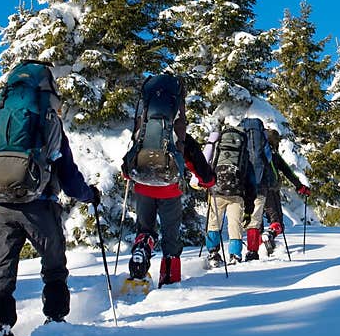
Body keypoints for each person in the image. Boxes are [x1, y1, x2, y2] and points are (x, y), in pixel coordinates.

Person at [0, 61, 100, 336]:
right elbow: (69, 177)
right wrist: (89, 195)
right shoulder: (50, 122)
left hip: (1, 206)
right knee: (54, 268)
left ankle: (0, 328)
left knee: (1, 272)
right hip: (40, 207)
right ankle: (55, 321)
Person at [122, 74, 216, 287]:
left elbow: (130, 159)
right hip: (170, 189)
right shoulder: (179, 133)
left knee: (145, 229)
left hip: (143, 186)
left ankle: (142, 250)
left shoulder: (143, 130)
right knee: (171, 238)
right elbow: (196, 164)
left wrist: (129, 174)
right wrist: (207, 181)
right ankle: (170, 282)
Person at [205, 125, 256, 267]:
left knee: (214, 223)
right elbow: (251, 182)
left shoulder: (217, 150)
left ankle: (213, 253)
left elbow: (207, 167)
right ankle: (235, 255)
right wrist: (249, 208)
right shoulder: (244, 156)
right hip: (237, 194)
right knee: (235, 225)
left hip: (217, 191)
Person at [260, 126, 310, 256]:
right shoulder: (274, 155)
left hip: (253, 190)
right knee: (277, 222)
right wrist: (301, 187)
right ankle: (269, 234)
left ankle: (256, 248)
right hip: (270, 190)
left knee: (255, 222)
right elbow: (288, 172)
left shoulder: (253, 153)